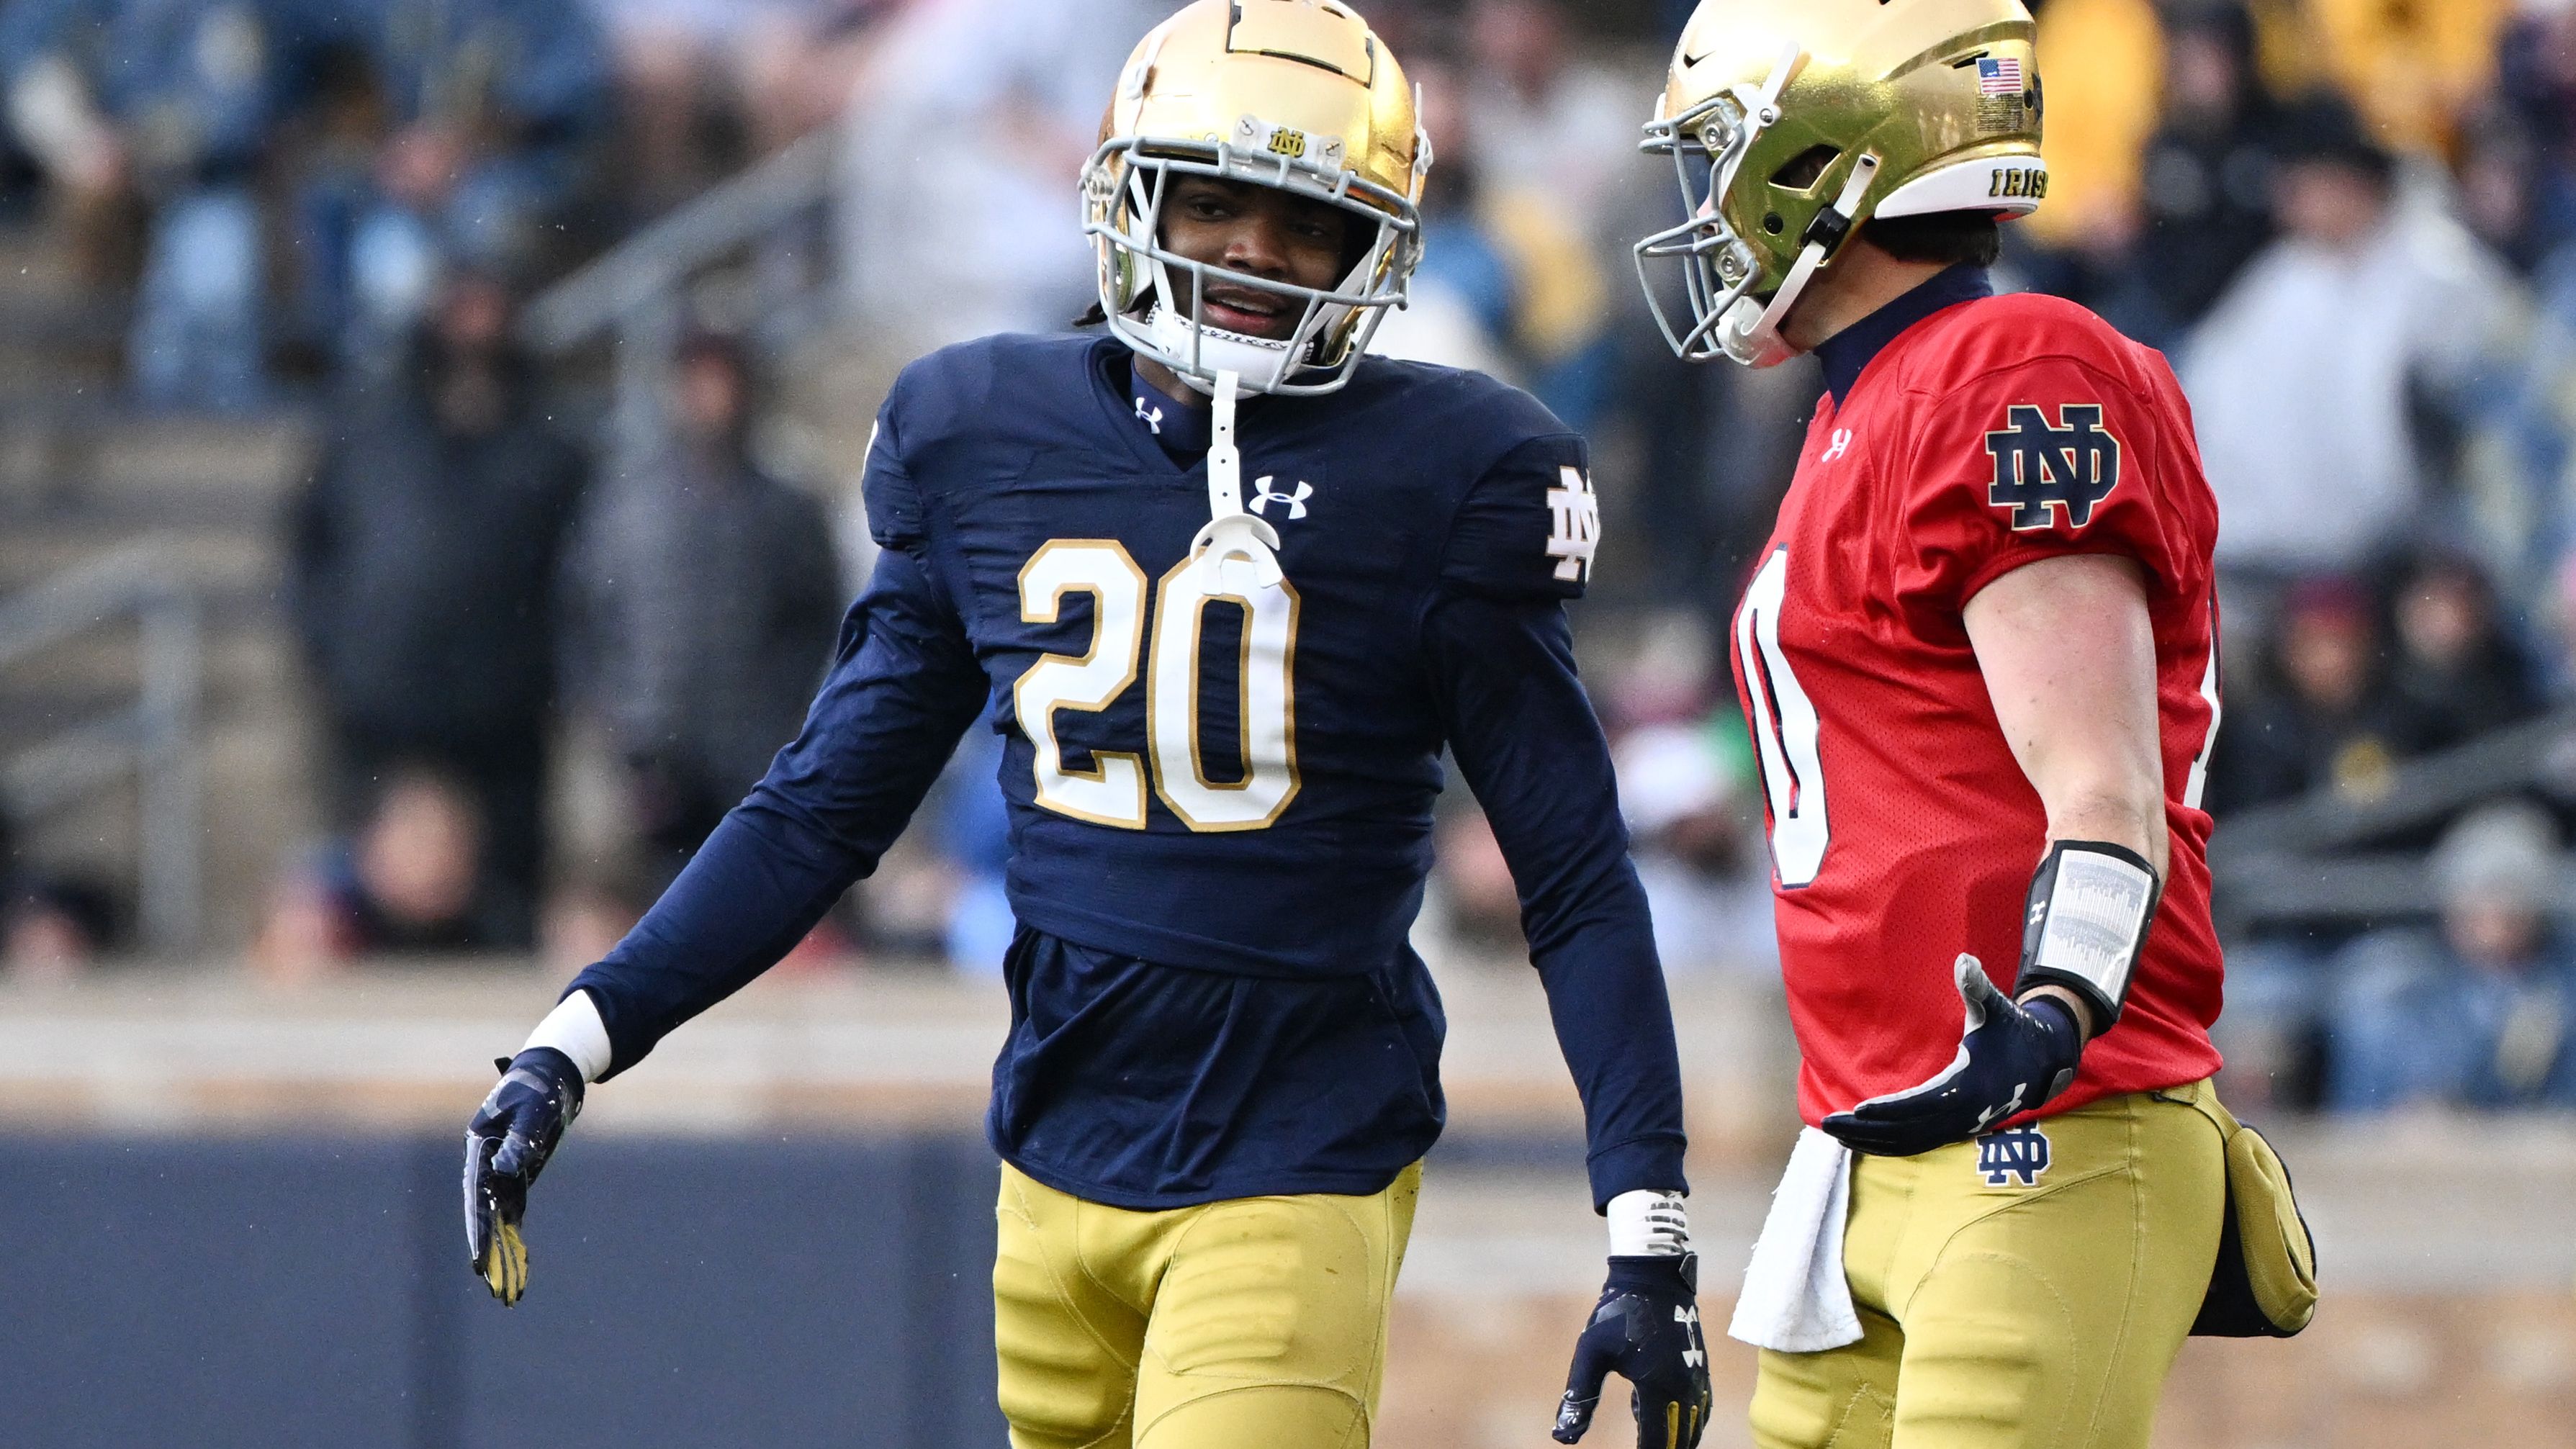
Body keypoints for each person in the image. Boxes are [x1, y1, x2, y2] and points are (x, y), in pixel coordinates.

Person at [463, 6, 1712, 1449]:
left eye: (1303, 220)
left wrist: (1646, 1211)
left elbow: (1568, 870)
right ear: (1128, 190)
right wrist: (580, 1034)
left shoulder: (1449, 468)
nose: (1251, 249)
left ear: (1369, 245)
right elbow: (821, 807)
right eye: (1217, 199)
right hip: (1054, 1162)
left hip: (1296, 1151)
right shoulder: (981, 429)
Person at [1635, 2, 2253, 1445]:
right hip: (1880, 1139)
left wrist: (2052, 1008)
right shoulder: (1862, 404)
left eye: (1727, 153)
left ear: (1827, 159)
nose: (1710, 202)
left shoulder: (2008, 365)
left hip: (2048, 1119)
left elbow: (2102, 782)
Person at [285, 273, 587, 947]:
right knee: (367, 897)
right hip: (381, 706)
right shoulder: (365, 437)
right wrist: (331, 654)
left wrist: (549, 673)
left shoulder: (550, 450)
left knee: (506, 905)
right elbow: (309, 552)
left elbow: (581, 580)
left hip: (502, 715)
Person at [557, 330, 842, 893]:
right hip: (647, 748)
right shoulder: (624, 506)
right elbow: (583, 618)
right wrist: (611, 721)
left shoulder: (787, 510)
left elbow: (816, 623)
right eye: (698, 381)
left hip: (751, 750)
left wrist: (780, 716)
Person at [2327, 800, 2576, 1111]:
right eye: (2476, 896)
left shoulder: (2562, 985)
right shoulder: (2405, 986)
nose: (2492, 917)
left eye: (2507, 897)